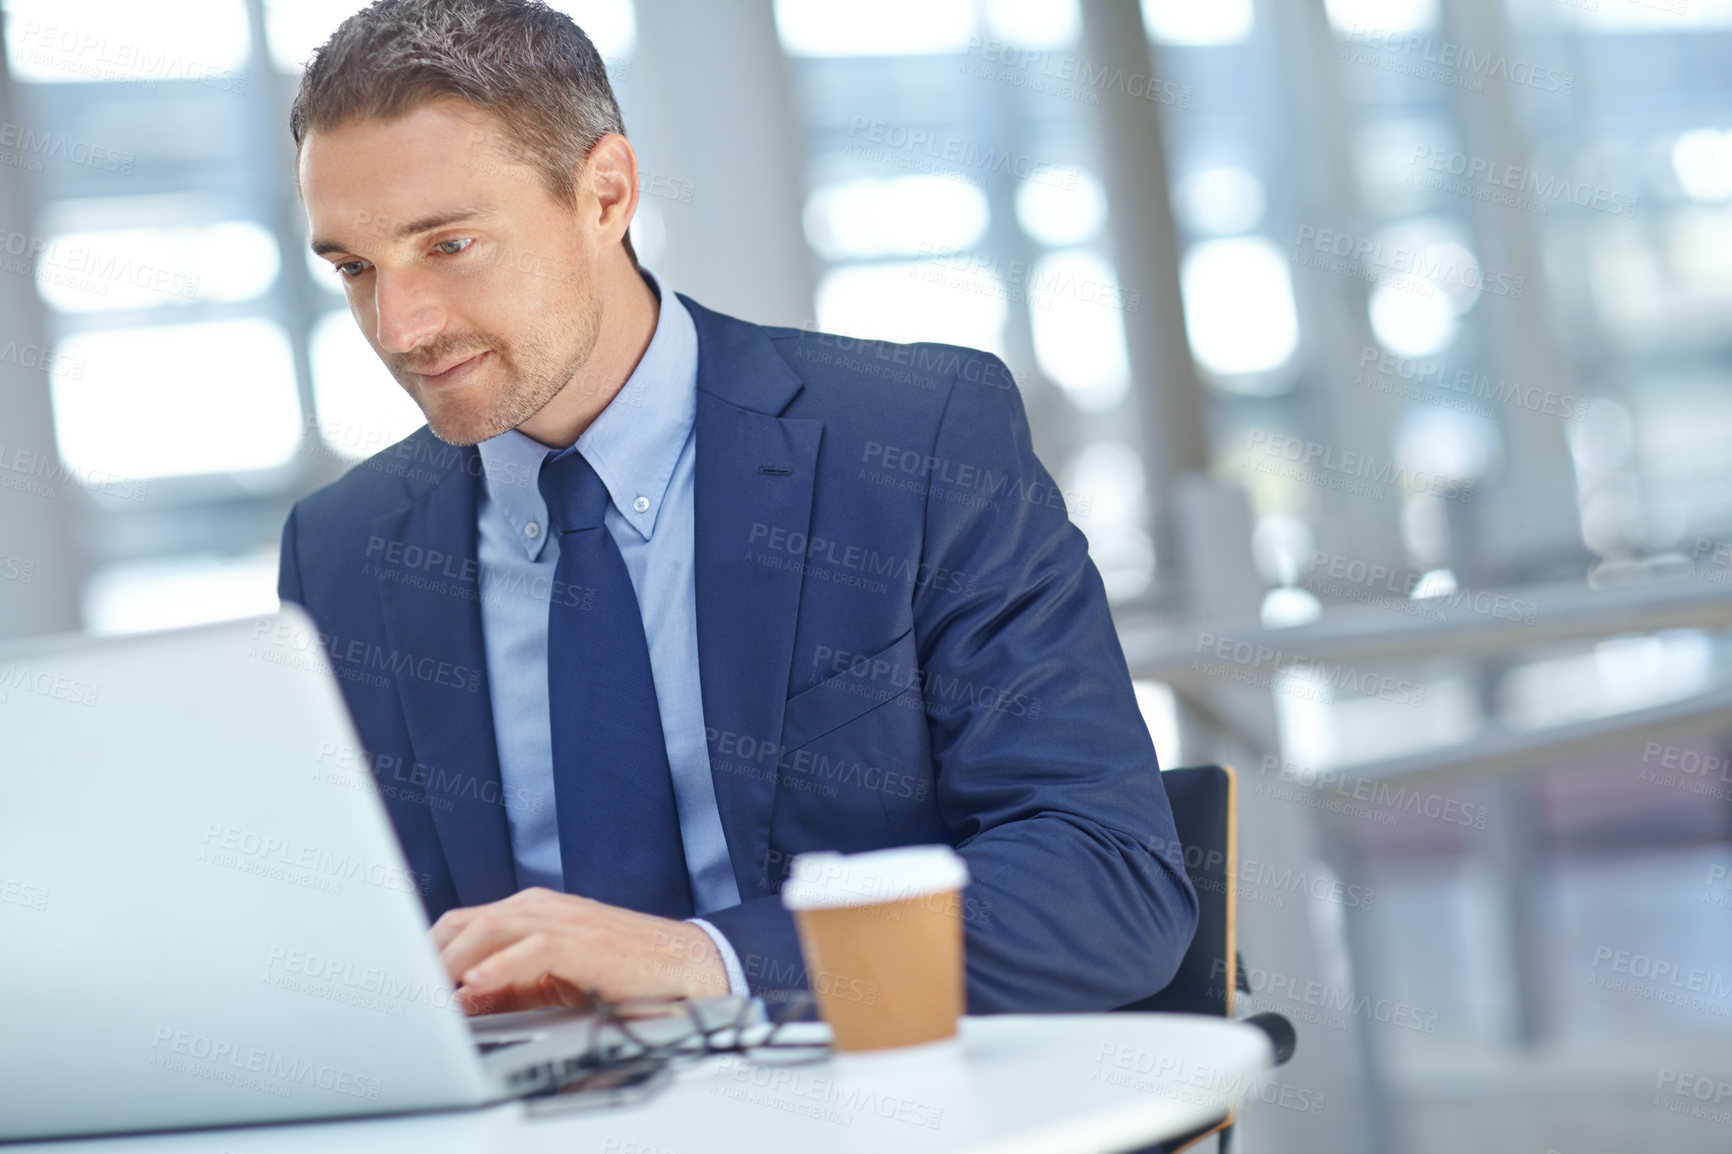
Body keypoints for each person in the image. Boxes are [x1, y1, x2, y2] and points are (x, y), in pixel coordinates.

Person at [279, 0, 1195, 1017]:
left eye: (448, 245)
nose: (399, 326)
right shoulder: (343, 550)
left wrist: (707, 958)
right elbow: (352, 943)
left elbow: (1108, 881)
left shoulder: (914, 444)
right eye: (355, 269)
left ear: (605, 193)